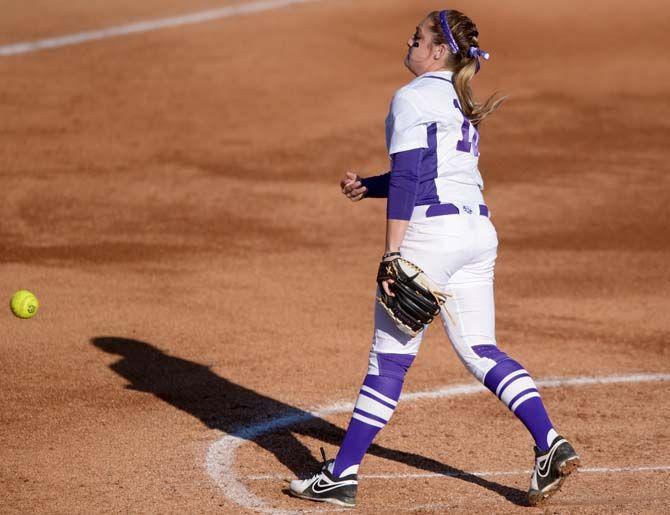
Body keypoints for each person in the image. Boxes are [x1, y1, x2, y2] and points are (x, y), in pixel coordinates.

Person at [289, 9, 580, 508]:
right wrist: (370, 187)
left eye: (418, 37)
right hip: (477, 233)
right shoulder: (458, 100)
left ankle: (341, 474)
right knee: (481, 349)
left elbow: (410, 181)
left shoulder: (410, 97)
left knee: (390, 361)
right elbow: (431, 171)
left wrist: (391, 253)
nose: (410, 41)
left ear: (439, 50)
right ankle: (549, 443)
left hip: (430, 238)